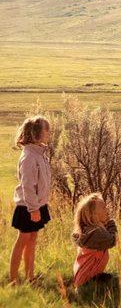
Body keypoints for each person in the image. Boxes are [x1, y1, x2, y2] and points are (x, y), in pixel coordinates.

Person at [9, 115, 52, 285]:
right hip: (27, 207)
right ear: (36, 133)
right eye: (46, 130)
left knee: (32, 240)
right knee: (23, 240)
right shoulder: (28, 157)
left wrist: (39, 206)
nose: (49, 133)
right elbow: (27, 186)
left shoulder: (39, 153)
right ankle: (13, 279)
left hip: (37, 205)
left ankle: (30, 276)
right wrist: (33, 209)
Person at [72, 193, 118, 289]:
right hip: (88, 281)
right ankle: (87, 292)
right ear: (93, 215)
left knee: (114, 278)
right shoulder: (96, 234)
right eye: (103, 207)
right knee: (117, 283)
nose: (107, 210)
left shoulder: (90, 231)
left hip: (85, 278)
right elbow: (113, 240)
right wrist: (111, 223)